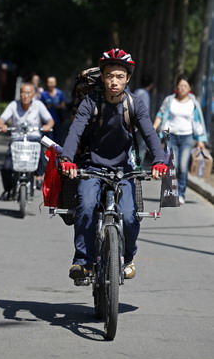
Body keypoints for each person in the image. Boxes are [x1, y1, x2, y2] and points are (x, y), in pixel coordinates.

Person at [59, 48, 168, 281]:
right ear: (102, 77)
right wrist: (67, 159)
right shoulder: (90, 103)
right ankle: (83, 261)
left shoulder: (134, 104)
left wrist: (159, 160)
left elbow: (149, 133)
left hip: (124, 170)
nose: (114, 81)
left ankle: (128, 257)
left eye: (120, 76)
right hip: (91, 167)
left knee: (129, 216)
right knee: (86, 206)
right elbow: (76, 131)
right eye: (110, 75)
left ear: (128, 78)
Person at [153, 75, 207, 205]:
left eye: (185, 86)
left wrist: (200, 140)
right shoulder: (169, 100)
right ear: (176, 87)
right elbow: (160, 114)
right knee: (173, 166)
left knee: (183, 166)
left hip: (187, 137)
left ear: (189, 88)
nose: (182, 88)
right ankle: (172, 192)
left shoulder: (193, 103)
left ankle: (181, 193)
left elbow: (198, 122)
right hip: (170, 136)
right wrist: (153, 129)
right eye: (180, 85)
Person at [0, 83, 54, 200]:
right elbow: (1, 119)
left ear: (33, 94)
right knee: (6, 167)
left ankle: (39, 177)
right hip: (17, 139)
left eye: (28, 93)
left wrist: (47, 126)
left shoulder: (38, 105)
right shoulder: (13, 105)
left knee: (40, 154)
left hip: (33, 138)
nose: (25, 96)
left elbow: (50, 120)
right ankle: (8, 190)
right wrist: (2, 125)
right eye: (23, 93)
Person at [134, 74, 154, 164]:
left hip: (133, 122)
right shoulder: (145, 94)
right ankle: (137, 166)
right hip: (141, 124)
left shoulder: (136, 92)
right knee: (141, 147)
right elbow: (145, 111)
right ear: (150, 85)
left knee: (134, 146)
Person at [41, 76, 66, 145]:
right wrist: (47, 107)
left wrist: (58, 106)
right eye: (49, 82)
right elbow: (41, 107)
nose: (51, 84)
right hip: (47, 122)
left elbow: (63, 106)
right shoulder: (44, 94)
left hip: (58, 120)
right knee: (48, 140)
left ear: (55, 83)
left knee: (58, 140)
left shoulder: (60, 93)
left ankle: (57, 155)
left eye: (52, 82)